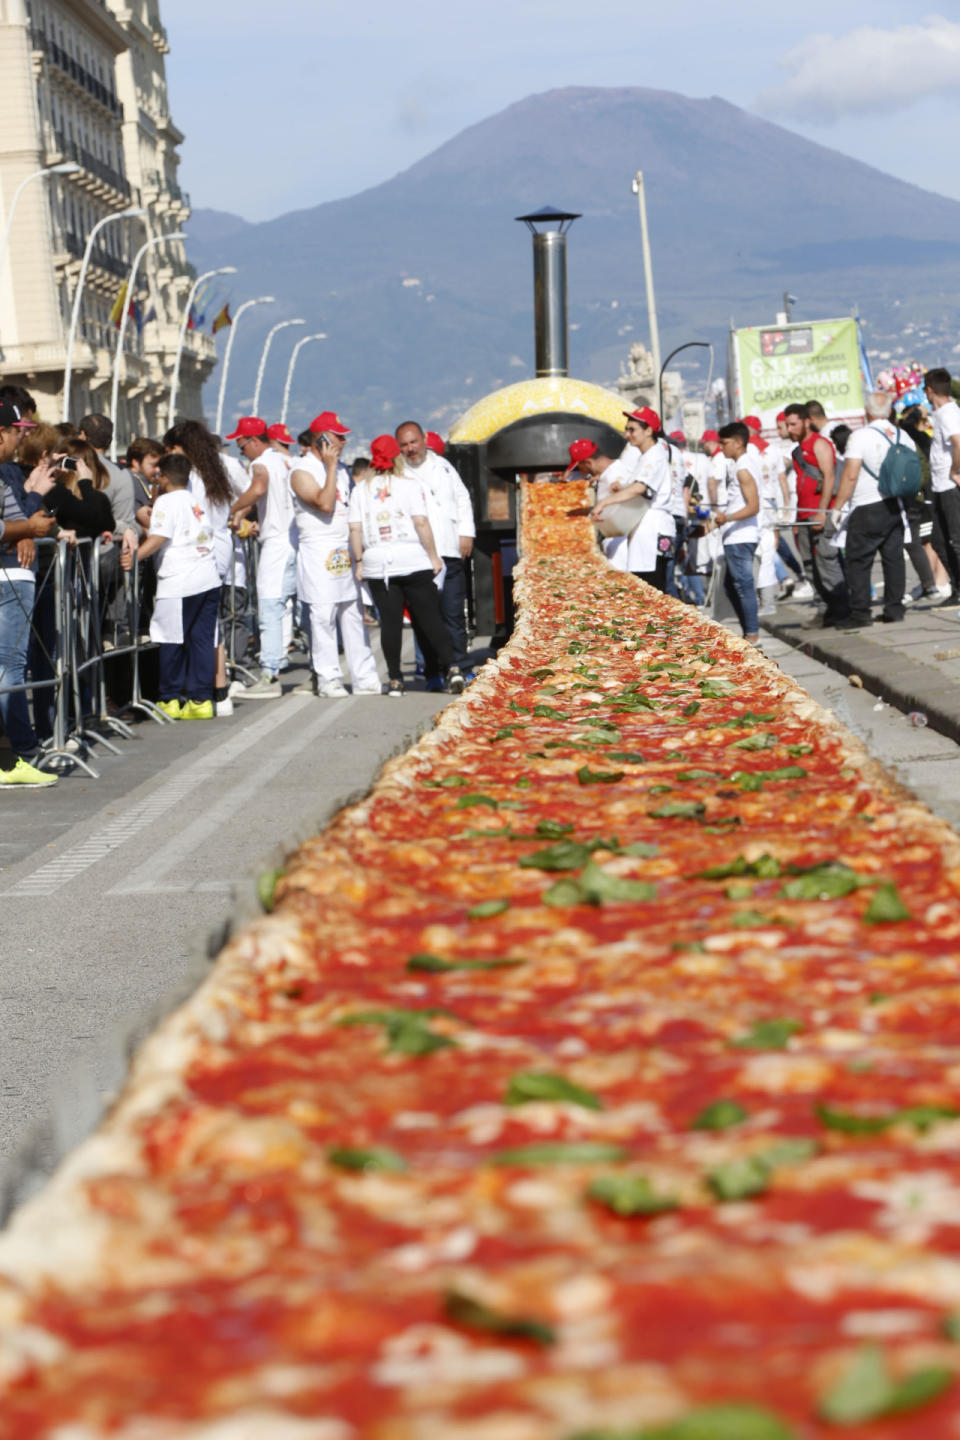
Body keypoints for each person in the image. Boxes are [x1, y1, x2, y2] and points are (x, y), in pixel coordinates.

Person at [348, 435, 464, 697]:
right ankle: (453, 668)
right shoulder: (409, 485)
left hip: (379, 563)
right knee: (430, 620)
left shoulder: (360, 491)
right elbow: (421, 523)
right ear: (396, 457)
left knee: (390, 624)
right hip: (412, 558)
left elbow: (355, 529)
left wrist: (359, 561)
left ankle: (396, 679)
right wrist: (433, 556)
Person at [123, 452, 220, 720]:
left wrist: (134, 557)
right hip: (207, 575)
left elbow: (160, 536)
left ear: (163, 477)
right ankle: (201, 699)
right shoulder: (194, 500)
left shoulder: (166, 501)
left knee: (169, 639)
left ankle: (169, 698)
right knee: (201, 639)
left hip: (178, 580)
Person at [289, 422, 381, 697]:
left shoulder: (342, 470)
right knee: (323, 614)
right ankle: (328, 677)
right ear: (322, 441)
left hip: (344, 548)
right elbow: (325, 503)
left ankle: (364, 676)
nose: (343, 442)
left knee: (353, 613)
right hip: (318, 549)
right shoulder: (301, 470)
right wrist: (330, 467)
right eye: (337, 437)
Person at [0, 399, 60, 786]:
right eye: (16, 431)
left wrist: (26, 525)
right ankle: (20, 754)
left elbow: (23, 520)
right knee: (9, 668)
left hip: (11, 573)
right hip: (8, 578)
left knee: (9, 667)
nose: (21, 438)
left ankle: (19, 752)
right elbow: (27, 524)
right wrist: (27, 528)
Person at [396, 420, 475, 689]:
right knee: (426, 618)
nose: (410, 449)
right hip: (418, 556)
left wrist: (466, 533)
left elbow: (462, 499)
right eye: (404, 445)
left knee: (454, 614)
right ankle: (433, 671)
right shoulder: (398, 473)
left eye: (413, 442)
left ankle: (462, 668)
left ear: (424, 440)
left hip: (450, 549)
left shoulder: (443, 467)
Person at [226, 415, 299, 698]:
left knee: (270, 606)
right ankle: (280, 665)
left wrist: (231, 509)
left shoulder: (261, 463)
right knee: (286, 607)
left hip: (277, 542)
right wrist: (243, 512)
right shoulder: (284, 459)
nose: (240, 450)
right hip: (291, 539)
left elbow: (257, 489)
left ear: (254, 442)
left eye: (241, 445)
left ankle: (269, 675)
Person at [830, 392, 916, 630]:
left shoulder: (859, 437)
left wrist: (837, 507)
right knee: (893, 558)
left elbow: (850, 474)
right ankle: (894, 608)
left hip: (866, 505)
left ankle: (860, 613)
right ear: (889, 411)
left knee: (858, 561)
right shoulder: (903, 435)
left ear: (866, 412)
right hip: (895, 504)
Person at [784, 402, 850, 625]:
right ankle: (824, 610)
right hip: (803, 516)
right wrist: (795, 518)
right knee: (810, 565)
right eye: (787, 425)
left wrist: (822, 513)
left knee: (827, 561)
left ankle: (841, 609)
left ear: (806, 421)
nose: (789, 429)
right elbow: (799, 485)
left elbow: (829, 477)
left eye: (793, 424)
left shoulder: (820, 444)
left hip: (820, 513)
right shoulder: (795, 452)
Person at [593, 407, 674, 590]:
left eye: (632, 429)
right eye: (626, 429)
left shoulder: (655, 455)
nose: (627, 434)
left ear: (648, 430)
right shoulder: (646, 456)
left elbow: (639, 488)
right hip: (643, 528)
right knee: (646, 587)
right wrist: (622, 488)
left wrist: (604, 502)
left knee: (654, 588)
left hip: (654, 529)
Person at [715, 422, 761, 642]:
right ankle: (748, 631)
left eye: (724, 443)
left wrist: (728, 517)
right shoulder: (743, 464)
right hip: (736, 534)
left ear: (739, 442)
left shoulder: (743, 468)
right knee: (732, 586)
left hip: (741, 535)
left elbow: (753, 506)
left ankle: (752, 634)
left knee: (743, 586)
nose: (721, 448)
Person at [923, 368, 960, 605]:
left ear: (929, 390)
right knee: (938, 538)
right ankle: (957, 585)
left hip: (948, 486)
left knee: (955, 539)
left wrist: (955, 470)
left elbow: (959, 442)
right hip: (938, 486)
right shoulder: (943, 414)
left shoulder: (948, 414)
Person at [568, 437, 629, 571]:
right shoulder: (609, 472)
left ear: (588, 462)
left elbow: (626, 501)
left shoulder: (616, 475)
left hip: (621, 543)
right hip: (614, 539)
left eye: (579, 466)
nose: (580, 471)